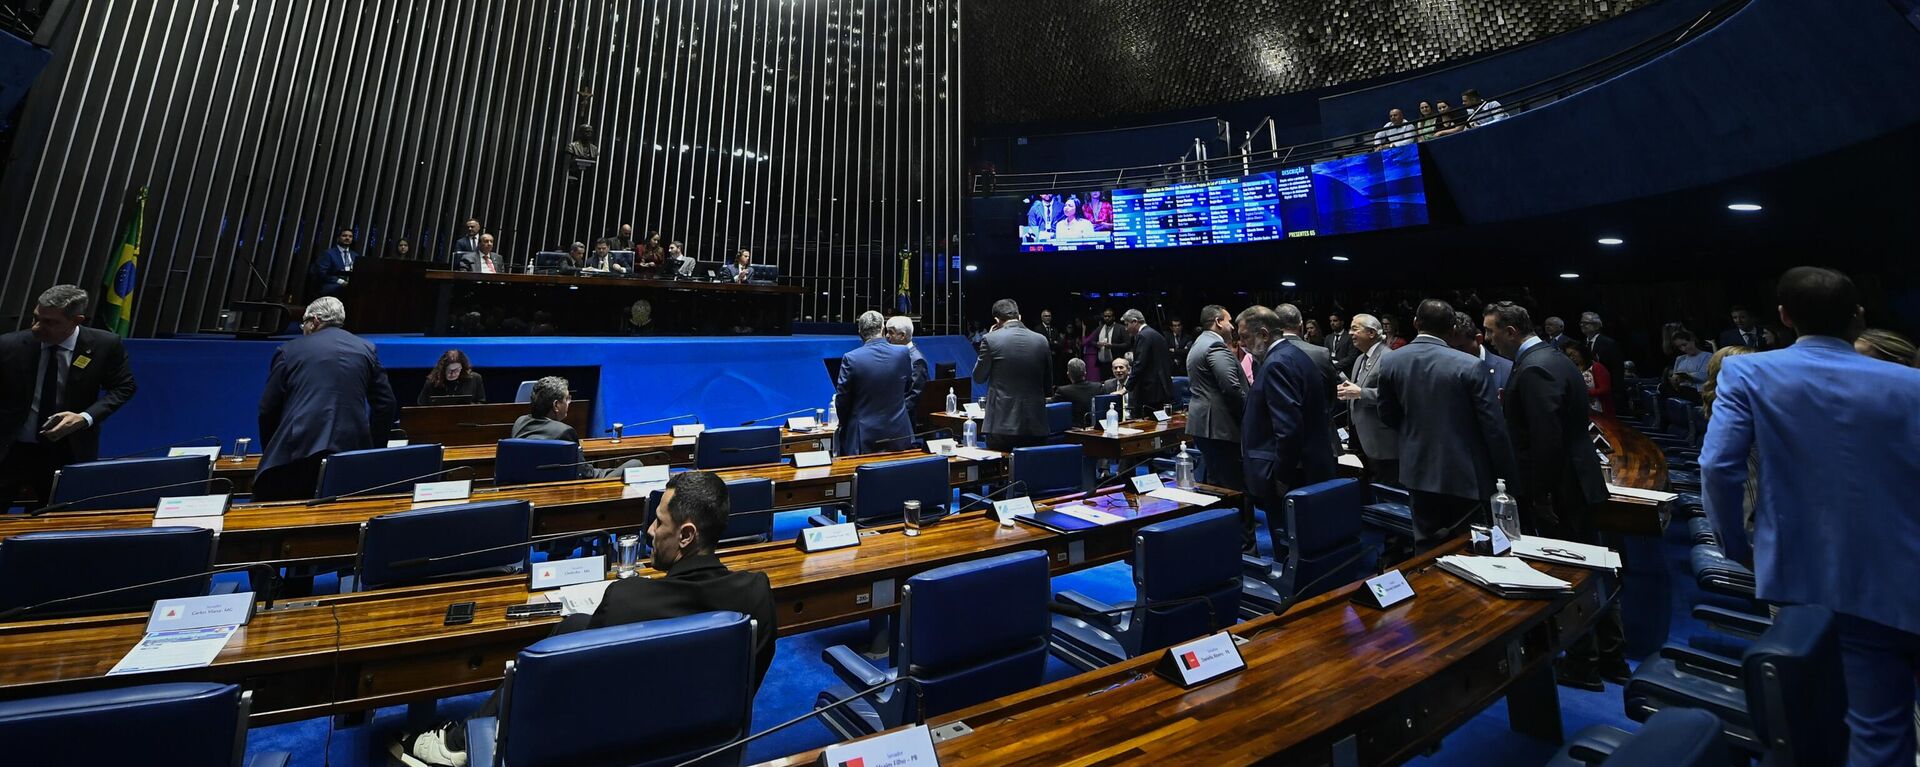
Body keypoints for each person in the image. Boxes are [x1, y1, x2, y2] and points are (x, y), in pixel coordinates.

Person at [392, 470, 777, 767]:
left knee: (567, 635)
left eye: (660, 523)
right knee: (574, 627)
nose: (650, 530)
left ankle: (459, 742)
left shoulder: (627, 599)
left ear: (686, 535)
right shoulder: (757, 595)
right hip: (707, 746)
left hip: (618, 746)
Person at [1702, 267, 1920, 766]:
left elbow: (1718, 466)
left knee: (1878, 732)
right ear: (1858, 316)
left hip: (1839, 581)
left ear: (1783, 315)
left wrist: (1737, 547)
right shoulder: (1912, 383)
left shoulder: (1749, 372)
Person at [1482, 301, 1625, 690]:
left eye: (1492, 331)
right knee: (1594, 565)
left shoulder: (1534, 368)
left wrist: (1541, 494)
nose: (1489, 338)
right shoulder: (1554, 357)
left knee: (1570, 574)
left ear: (1511, 332)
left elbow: (1547, 441)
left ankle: (1583, 662)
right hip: (1575, 481)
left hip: (1560, 488)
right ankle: (1611, 656)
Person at [1374, 299, 1516, 545]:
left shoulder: (1391, 361)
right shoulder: (1471, 365)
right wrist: (1507, 477)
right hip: (1466, 473)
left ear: (1416, 323)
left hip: (1417, 469)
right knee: (1470, 548)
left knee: (1426, 549)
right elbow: (1493, 427)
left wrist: (1415, 435)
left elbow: (1387, 415)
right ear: (1452, 329)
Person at [0, 286, 138, 511]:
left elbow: (124, 386)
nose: (37, 327)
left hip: (67, 451)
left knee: (56, 524)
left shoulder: (104, 345)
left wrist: (84, 418)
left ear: (77, 320)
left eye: (49, 322)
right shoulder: (8, 345)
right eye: (36, 318)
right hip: (10, 450)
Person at [252, 298, 398, 502]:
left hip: (297, 451)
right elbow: (386, 405)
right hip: (351, 452)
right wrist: (372, 449)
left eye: (304, 324)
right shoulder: (366, 349)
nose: (303, 329)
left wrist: (273, 449)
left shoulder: (290, 350)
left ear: (315, 320)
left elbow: (267, 409)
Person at [1236, 305, 1335, 515]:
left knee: (1292, 540)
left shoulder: (1276, 364)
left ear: (1263, 334)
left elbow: (1288, 429)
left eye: (1245, 337)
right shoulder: (1296, 355)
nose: (1242, 343)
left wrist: (1281, 478)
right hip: (1310, 466)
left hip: (1294, 476)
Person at [1185, 305, 1251, 547]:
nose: (1233, 326)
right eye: (1230, 320)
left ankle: (1221, 542)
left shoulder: (1197, 344)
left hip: (1205, 426)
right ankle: (1246, 549)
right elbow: (1232, 388)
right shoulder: (1215, 346)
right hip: (1221, 427)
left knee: (1216, 487)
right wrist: (1251, 414)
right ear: (1218, 322)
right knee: (1236, 489)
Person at [834, 312, 916, 456]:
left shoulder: (851, 358)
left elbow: (842, 401)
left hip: (863, 436)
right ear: (883, 330)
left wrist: (846, 425)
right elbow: (907, 386)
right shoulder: (902, 353)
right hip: (898, 433)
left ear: (860, 332)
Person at [975, 299, 1052, 450]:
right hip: (1036, 424)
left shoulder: (990, 339)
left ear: (997, 320)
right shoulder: (1042, 340)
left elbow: (978, 377)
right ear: (1019, 317)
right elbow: (1048, 386)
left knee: (1002, 473)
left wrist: (990, 337)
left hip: (1001, 426)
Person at [1335, 314, 1398, 486]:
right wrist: (1347, 391)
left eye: (1355, 329)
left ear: (1371, 333)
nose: (1350, 333)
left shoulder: (1389, 357)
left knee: (1386, 490)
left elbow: (1395, 395)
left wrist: (1361, 392)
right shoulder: (1358, 359)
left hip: (1382, 441)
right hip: (1360, 438)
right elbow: (1358, 391)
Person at [1275, 304, 1337, 422]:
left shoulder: (1265, 355)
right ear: (1301, 325)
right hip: (1318, 424)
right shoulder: (1321, 353)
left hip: (1281, 427)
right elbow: (1332, 394)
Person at [1120, 309, 1173, 418]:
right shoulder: (1156, 334)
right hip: (1162, 388)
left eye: (1126, 324)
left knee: (1147, 426)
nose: (1126, 329)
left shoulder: (1143, 336)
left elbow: (1139, 364)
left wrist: (1126, 388)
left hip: (1150, 391)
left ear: (1134, 322)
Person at [1447, 310, 1511, 392]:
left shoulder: (1508, 369)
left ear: (1478, 339)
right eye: (1450, 348)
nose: (1454, 353)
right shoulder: (1442, 370)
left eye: (1460, 347)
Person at [886, 315, 928, 410]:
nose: (887, 336)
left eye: (890, 332)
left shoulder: (917, 361)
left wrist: (894, 415)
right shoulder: (894, 355)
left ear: (902, 335)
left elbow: (913, 397)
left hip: (902, 420)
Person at [1565, 343, 1614, 418]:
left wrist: (1585, 392)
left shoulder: (1597, 367)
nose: (1571, 357)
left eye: (1573, 354)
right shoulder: (1574, 369)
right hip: (1582, 408)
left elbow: (1606, 389)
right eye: (1569, 355)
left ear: (1581, 351)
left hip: (1599, 408)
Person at [417, 350, 485, 404]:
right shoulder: (432, 382)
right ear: (443, 370)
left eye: (457, 370)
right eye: (450, 370)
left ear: (462, 368)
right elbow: (421, 405)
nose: (453, 374)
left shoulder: (475, 379)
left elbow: (481, 403)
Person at [1051, 358, 1106, 425]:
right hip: (1096, 428)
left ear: (1068, 374)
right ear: (1085, 372)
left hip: (1074, 431)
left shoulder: (1063, 391)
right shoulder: (1098, 387)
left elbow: (1051, 404)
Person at [309, 227, 360, 298]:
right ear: (338, 238)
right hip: (332, 284)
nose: (347, 238)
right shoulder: (328, 253)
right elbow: (321, 273)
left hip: (350, 285)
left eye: (350, 236)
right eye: (344, 236)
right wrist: (341, 282)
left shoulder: (355, 256)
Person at [1665, 330, 1713, 401]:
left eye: (1684, 345)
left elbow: (1705, 376)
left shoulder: (1707, 356)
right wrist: (1674, 380)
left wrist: (1686, 377)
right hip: (1681, 391)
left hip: (1698, 393)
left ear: (1692, 341)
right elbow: (1675, 378)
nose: (1683, 349)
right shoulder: (1680, 359)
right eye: (1679, 347)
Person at [1094, 308, 1128, 380]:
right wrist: (1097, 344)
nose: (1107, 318)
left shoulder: (1120, 328)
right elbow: (1091, 341)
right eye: (1105, 316)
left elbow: (1127, 344)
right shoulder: (1100, 328)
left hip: (1116, 363)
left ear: (1113, 317)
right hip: (1102, 364)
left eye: (1109, 316)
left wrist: (1112, 346)